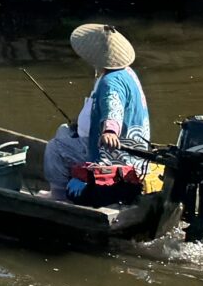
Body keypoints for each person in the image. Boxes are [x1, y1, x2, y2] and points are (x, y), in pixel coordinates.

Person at [42, 22, 150, 195]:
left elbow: (113, 107)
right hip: (133, 151)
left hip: (114, 155)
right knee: (63, 130)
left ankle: (59, 194)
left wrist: (110, 131)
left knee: (54, 148)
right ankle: (74, 178)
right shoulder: (126, 72)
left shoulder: (110, 82)